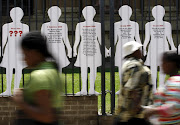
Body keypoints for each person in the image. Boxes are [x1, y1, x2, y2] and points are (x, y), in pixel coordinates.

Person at [12, 31, 63, 125]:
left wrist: (20, 101)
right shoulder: (53, 71)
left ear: (33, 53)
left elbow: (46, 116)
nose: (24, 59)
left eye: (25, 54)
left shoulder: (39, 76)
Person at [113, 41, 153, 125]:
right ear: (134, 52)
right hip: (134, 115)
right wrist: (137, 108)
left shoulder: (127, 64)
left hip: (126, 112)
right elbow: (133, 88)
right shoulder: (136, 66)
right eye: (139, 49)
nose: (141, 51)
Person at [144, 51, 180, 125]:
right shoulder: (171, 81)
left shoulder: (175, 82)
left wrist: (153, 111)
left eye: (163, 62)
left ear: (171, 64)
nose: (161, 65)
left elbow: (173, 106)